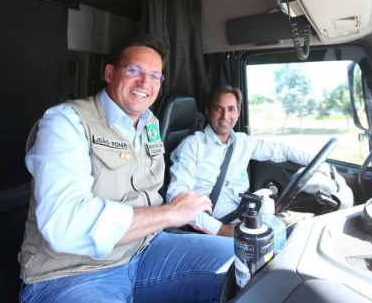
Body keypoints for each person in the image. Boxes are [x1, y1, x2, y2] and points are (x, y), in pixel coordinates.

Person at [18, 35, 234, 303]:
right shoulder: (66, 121)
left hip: (145, 250)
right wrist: (169, 213)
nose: (146, 82)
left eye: (155, 76)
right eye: (134, 70)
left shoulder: (150, 123)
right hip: (73, 272)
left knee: (245, 262)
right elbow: (66, 225)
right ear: (110, 73)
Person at [167, 85, 330, 237]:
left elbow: (281, 150)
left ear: (238, 114)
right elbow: (177, 198)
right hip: (213, 228)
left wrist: (321, 164)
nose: (225, 116)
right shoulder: (191, 145)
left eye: (231, 109)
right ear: (208, 112)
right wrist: (220, 229)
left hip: (248, 216)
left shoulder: (243, 142)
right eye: (218, 109)